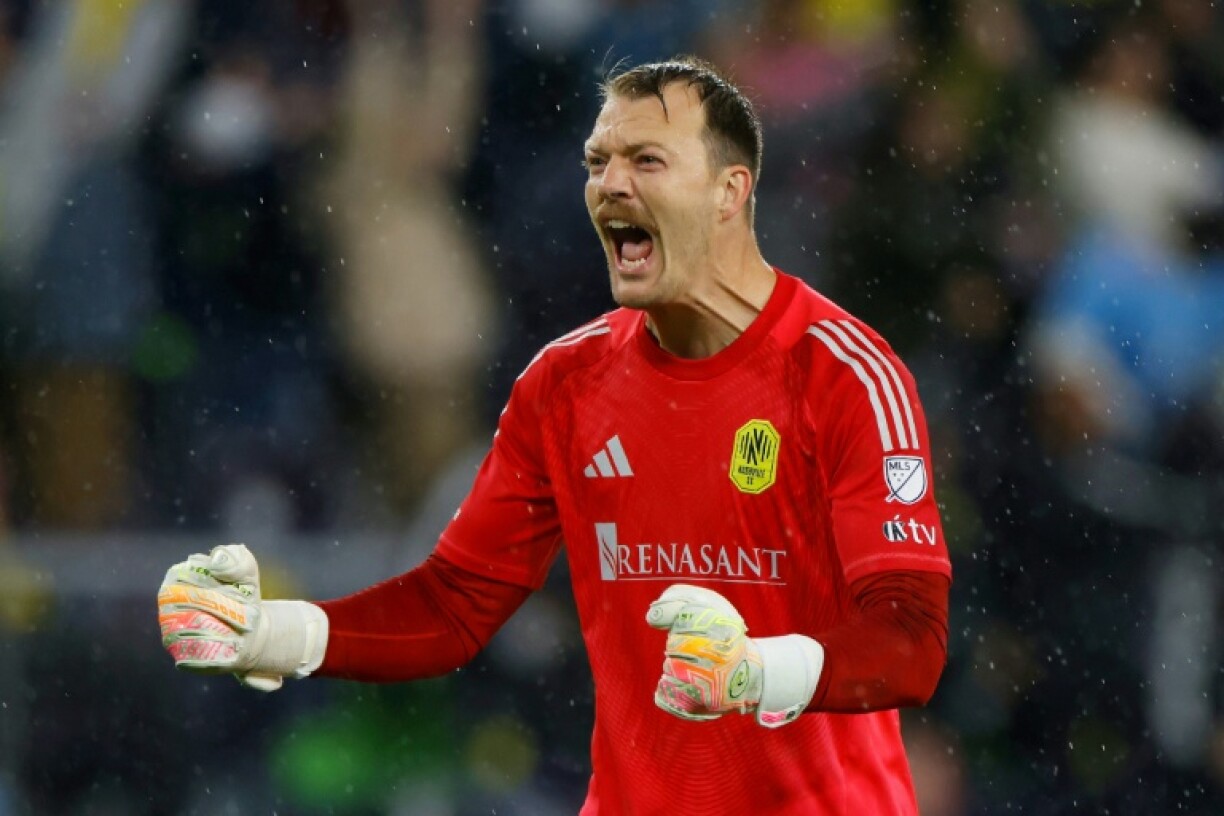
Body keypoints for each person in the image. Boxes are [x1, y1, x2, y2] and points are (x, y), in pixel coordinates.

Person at [158, 56, 952, 814]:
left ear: (728, 192)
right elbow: (456, 605)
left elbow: (909, 641)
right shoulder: (565, 386)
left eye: (646, 161)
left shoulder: (847, 377)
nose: (610, 185)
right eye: (598, 161)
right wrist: (272, 632)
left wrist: (756, 671)